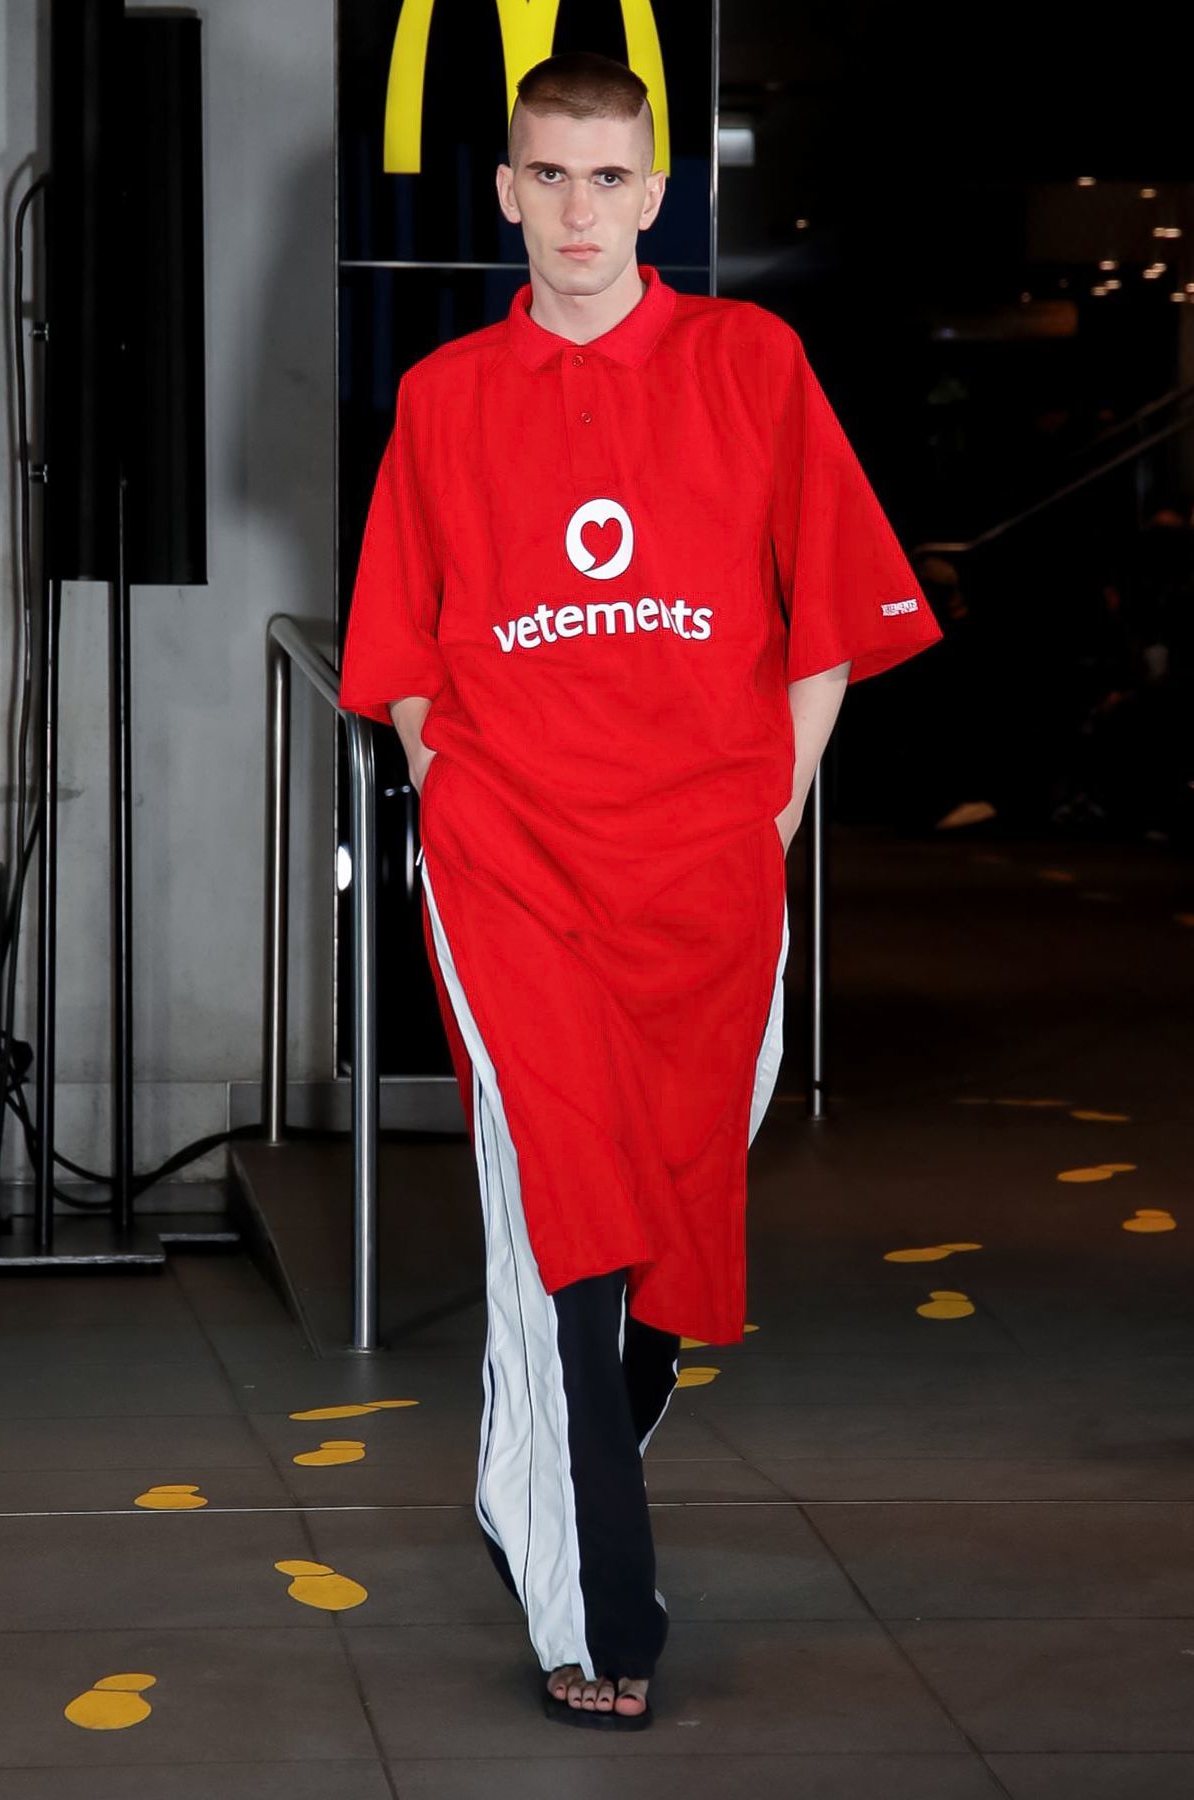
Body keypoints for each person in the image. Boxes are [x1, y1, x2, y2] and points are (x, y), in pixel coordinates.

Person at [338, 49, 944, 1729]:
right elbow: (399, 648)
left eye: (609, 179)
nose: (579, 211)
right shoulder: (447, 396)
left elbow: (829, 620)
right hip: (514, 869)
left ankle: (529, 1471)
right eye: (550, 176)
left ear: (655, 194)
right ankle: (593, 1600)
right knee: (565, 1226)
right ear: (508, 191)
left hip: (705, 872)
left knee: (674, 1201)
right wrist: (453, 786)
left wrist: (771, 816)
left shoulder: (752, 364)